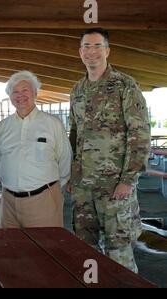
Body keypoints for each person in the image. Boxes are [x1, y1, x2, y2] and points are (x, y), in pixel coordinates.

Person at [68, 28, 151, 273]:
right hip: (84, 188)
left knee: (118, 253)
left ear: (107, 50)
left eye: (97, 46)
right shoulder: (77, 90)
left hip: (115, 186)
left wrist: (128, 180)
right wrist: (73, 176)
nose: (91, 52)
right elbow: (75, 135)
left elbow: (140, 135)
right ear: (80, 51)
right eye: (86, 46)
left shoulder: (125, 85)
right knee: (86, 251)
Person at [0, 71, 72, 228]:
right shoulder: (2, 126)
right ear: (10, 96)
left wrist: (53, 189)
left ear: (35, 93)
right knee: (10, 249)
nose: (20, 95)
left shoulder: (52, 123)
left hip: (43, 199)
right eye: (15, 91)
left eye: (25, 90)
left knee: (45, 249)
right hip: (8, 202)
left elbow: (65, 159)